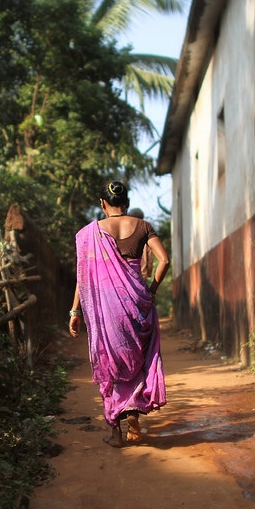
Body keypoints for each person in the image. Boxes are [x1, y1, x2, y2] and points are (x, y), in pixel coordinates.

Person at [69, 181, 170, 447]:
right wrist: (152, 290)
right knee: (135, 362)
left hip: (106, 311)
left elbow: (83, 276)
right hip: (137, 305)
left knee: (110, 365)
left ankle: (116, 431)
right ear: (126, 201)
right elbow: (165, 260)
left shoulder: (89, 234)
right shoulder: (143, 226)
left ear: (102, 203)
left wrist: (75, 310)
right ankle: (134, 417)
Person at [127, 208, 154, 280]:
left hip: (127, 276)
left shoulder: (125, 234)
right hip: (142, 276)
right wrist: (149, 273)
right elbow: (150, 258)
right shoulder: (146, 235)